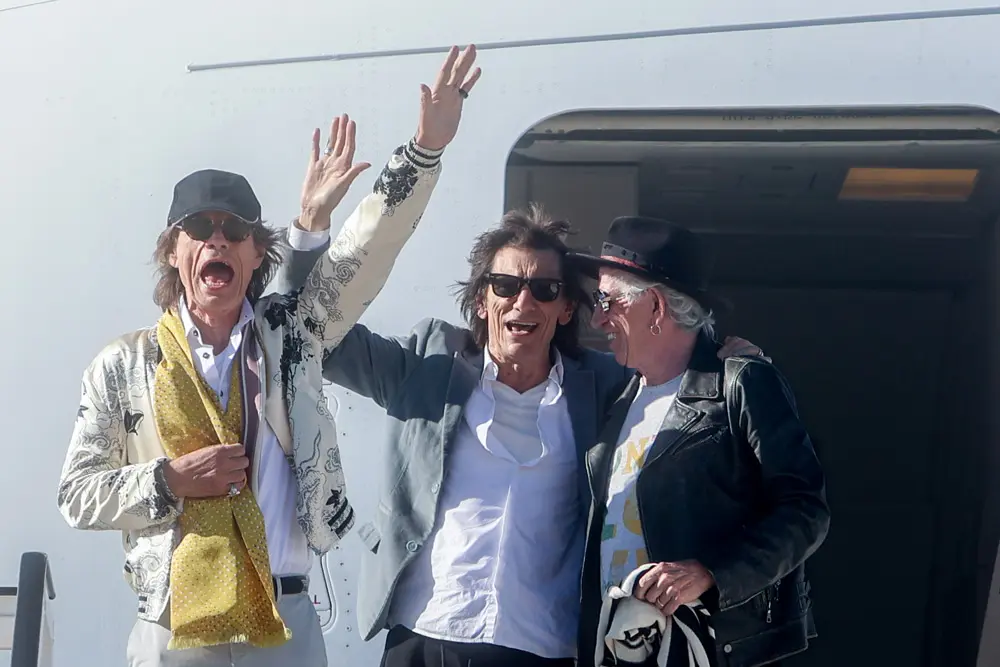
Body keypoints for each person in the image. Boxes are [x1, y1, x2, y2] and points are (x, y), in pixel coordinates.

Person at [55, 46, 474, 666]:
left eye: (235, 230)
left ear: (257, 254)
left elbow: (364, 254)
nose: (217, 239)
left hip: (284, 624)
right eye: (199, 229)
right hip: (173, 627)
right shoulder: (124, 364)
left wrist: (423, 151)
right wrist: (169, 480)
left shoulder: (293, 338)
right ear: (173, 251)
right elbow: (76, 494)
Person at [277, 202, 764, 663]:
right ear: (482, 300)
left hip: (542, 646)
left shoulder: (609, 389)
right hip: (424, 637)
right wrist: (309, 232)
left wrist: (718, 356)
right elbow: (314, 334)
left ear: (567, 309)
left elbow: (671, 360)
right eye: (505, 285)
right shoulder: (427, 365)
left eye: (545, 290)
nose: (522, 300)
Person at [569, 216, 831, 667]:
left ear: (654, 307)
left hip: (709, 648)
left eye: (607, 300)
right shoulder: (619, 399)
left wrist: (712, 572)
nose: (597, 318)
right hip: (625, 651)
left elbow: (805, 511)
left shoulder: (742, 382)